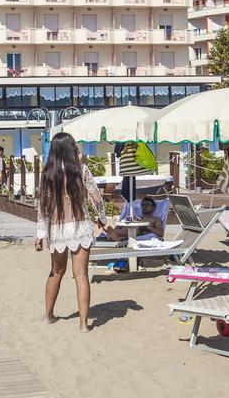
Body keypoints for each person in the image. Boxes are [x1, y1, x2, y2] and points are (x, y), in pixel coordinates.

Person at [34, 132, 104, 332]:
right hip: (80, 226)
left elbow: (43, 207)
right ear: (72, 148)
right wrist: (102, 219)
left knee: (56, 272)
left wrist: (40, 235)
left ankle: (49, 315)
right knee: (81, 275)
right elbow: (97, 198)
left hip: (57, 230)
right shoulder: (81, 170)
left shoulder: (47, 174)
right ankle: (83, 324)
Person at [99, 196, 165, 241]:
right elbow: (120, 225)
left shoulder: (156, 219)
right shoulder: (138, 217)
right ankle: (115, 235)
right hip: (128, 231)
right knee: (110, 227)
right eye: (142, 205)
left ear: (153, 208)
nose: (144, 207)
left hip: (138, 233)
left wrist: (151, 228)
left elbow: (161, 233)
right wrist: (127, 220)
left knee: (135, 230)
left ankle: (113, 235)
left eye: (147, 205)